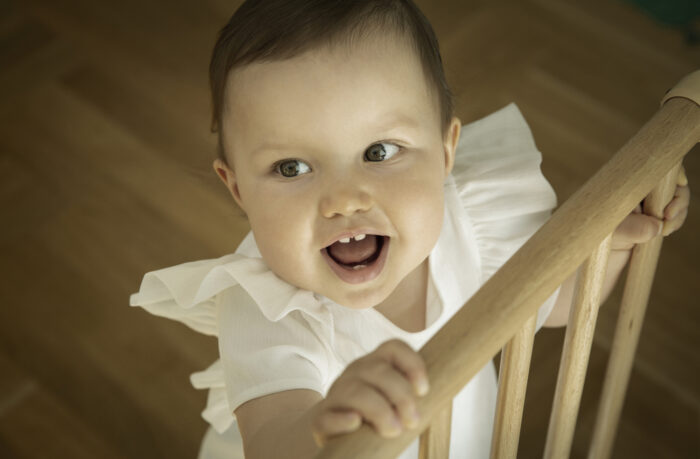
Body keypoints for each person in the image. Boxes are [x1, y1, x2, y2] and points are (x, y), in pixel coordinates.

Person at [129, 1, 690, 458]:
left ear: (447, 151)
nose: (344, 199)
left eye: (379, 151)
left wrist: (614, 242)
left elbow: (549, 305)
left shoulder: (469, 223)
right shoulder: (269, 308)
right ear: (238, 190)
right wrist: (323, 425)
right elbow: (272, 436)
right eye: (291, 168)